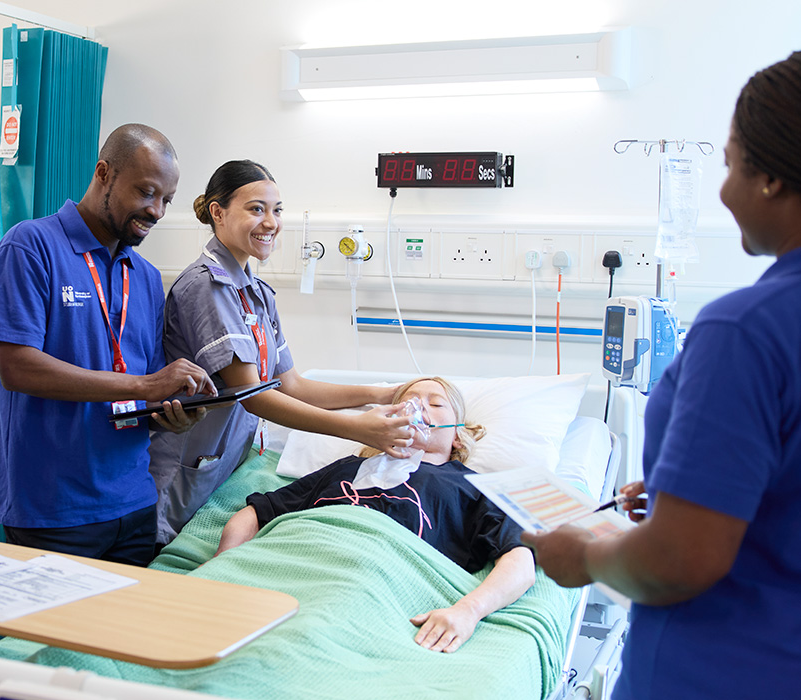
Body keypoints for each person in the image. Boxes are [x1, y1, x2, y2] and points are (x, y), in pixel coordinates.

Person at [522, 52, 801, 698]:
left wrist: (582, 557)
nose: (724, 192)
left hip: (727, 669)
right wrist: (694, 490)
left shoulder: (745, 331)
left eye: (730, 165)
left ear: (773, 181)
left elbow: (682, 559)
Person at [0, 124, 214, 567]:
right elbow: (17, 368)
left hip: (133, 504)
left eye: (167, 200)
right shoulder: (31, 246)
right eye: (146, 192)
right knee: (47, 639)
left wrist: (172, 413)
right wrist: (144, 387)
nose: (157, 210)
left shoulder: (142, 277)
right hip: (51, 510)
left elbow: (141, 393)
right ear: (104, 173)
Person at [149, 160, 413, 544]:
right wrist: (360, 427)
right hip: (184, 474)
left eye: (277, 210)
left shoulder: (255, 293)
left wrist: (381, 393)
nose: (271, 222)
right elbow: (254, 397)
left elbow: (291, 385)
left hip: (223, 471)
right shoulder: (207, 288)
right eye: (256, 209)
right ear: (217, 213)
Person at [217, 377, 534, 653]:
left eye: (435, 404)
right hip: (296, 561)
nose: (417, 408)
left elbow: (521, 564)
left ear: (457, 435)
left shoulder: (474, 487)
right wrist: (224, 565)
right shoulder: (346, 468)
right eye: (408, 401)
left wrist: (468, 612)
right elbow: (255, 513)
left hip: (374, 584)